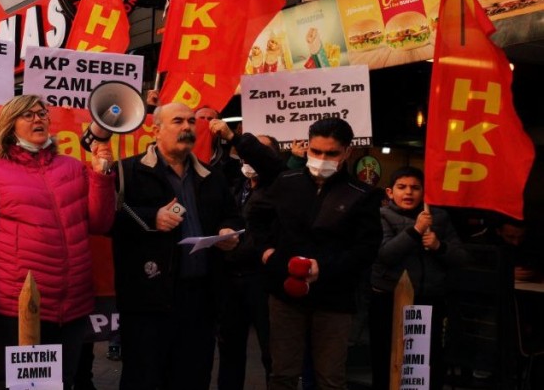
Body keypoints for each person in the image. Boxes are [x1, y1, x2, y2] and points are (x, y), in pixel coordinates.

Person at [0, 94, 116, 390]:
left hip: (71, 307)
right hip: (18, 308)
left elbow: (100, 224)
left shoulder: (72, 167)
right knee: (19, 385)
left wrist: (101, 175)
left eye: (42, 114)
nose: (38, 119)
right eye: (28, 115)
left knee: (61, 382)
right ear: (9, 125)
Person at [112, 102, 242, 390]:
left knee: (192, 376)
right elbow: (109, 220)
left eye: (191, 122)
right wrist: (151, 217)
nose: (187, 127)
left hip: (200, 298)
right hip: (149, 298)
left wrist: (228, 231)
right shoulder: (127, 171)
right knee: (144, 378)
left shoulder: (211, 176)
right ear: (156, 129)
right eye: (178, 121)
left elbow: (230, 214)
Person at [250, 117, 382, 390]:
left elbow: (366, 248)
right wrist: (266, 252)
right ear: (307, 147)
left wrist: (325, 268)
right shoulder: (286, 181)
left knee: (330, 378)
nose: (322, 158)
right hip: (284, 294)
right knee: (282, 373)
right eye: (316, 151)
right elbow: (258, 219)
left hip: (334, 299)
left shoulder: (362, 194)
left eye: (331, 153)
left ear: (347, 152)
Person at [368, 166, 467, 390]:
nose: (409, 193)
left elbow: (461, 257)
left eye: (415, 188)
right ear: (390, 192)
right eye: (402, 187)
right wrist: (415, 230)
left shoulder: (439, 217)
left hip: (430, 300)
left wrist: (439, 246)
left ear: (424, 192)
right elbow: (385, 254)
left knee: (427, 362)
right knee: (387, 360)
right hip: (389, 301)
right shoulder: (381, 216)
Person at [209, 120, 285, 389]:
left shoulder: (281, 185)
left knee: (272, 352)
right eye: (246, 151)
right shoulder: (235, 184)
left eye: (258, 150)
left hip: (262, 280)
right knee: (229, 349)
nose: (249, 155)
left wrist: (235, 136)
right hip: (230, 279)